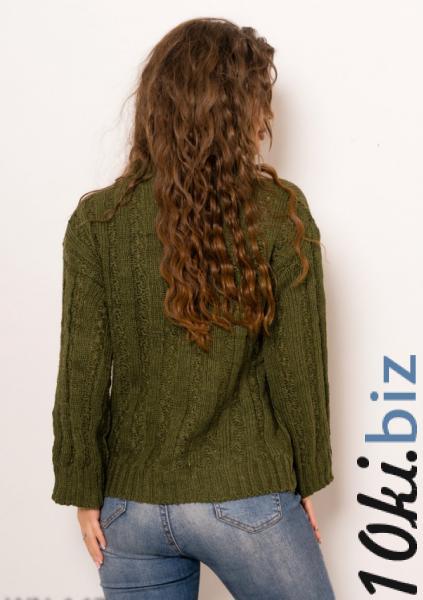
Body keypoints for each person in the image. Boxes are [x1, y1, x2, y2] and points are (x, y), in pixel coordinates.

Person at [50, 16, 336, 600]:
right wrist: (305, 478)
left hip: (129, 510)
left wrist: (83, 491)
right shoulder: (278, 212)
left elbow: (81, 373)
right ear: (237, 111)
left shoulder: (98, 221)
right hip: (247, 497)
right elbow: (297, 370)